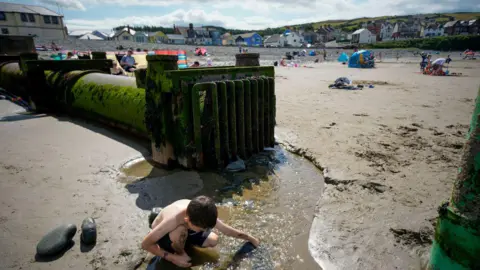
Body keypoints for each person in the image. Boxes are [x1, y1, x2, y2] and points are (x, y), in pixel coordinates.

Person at [142, 196, 260, 268]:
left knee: (213, 240)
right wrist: (171, 258)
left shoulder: (203, 212)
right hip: (166, 235)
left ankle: (184, 244)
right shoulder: (174, 219)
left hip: (186, 229)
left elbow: (227, 231)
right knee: (179, 231)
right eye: (202, 229)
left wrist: (250, 238)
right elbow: (145, 244)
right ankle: (178, 253)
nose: (205, 231)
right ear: (188, 220)